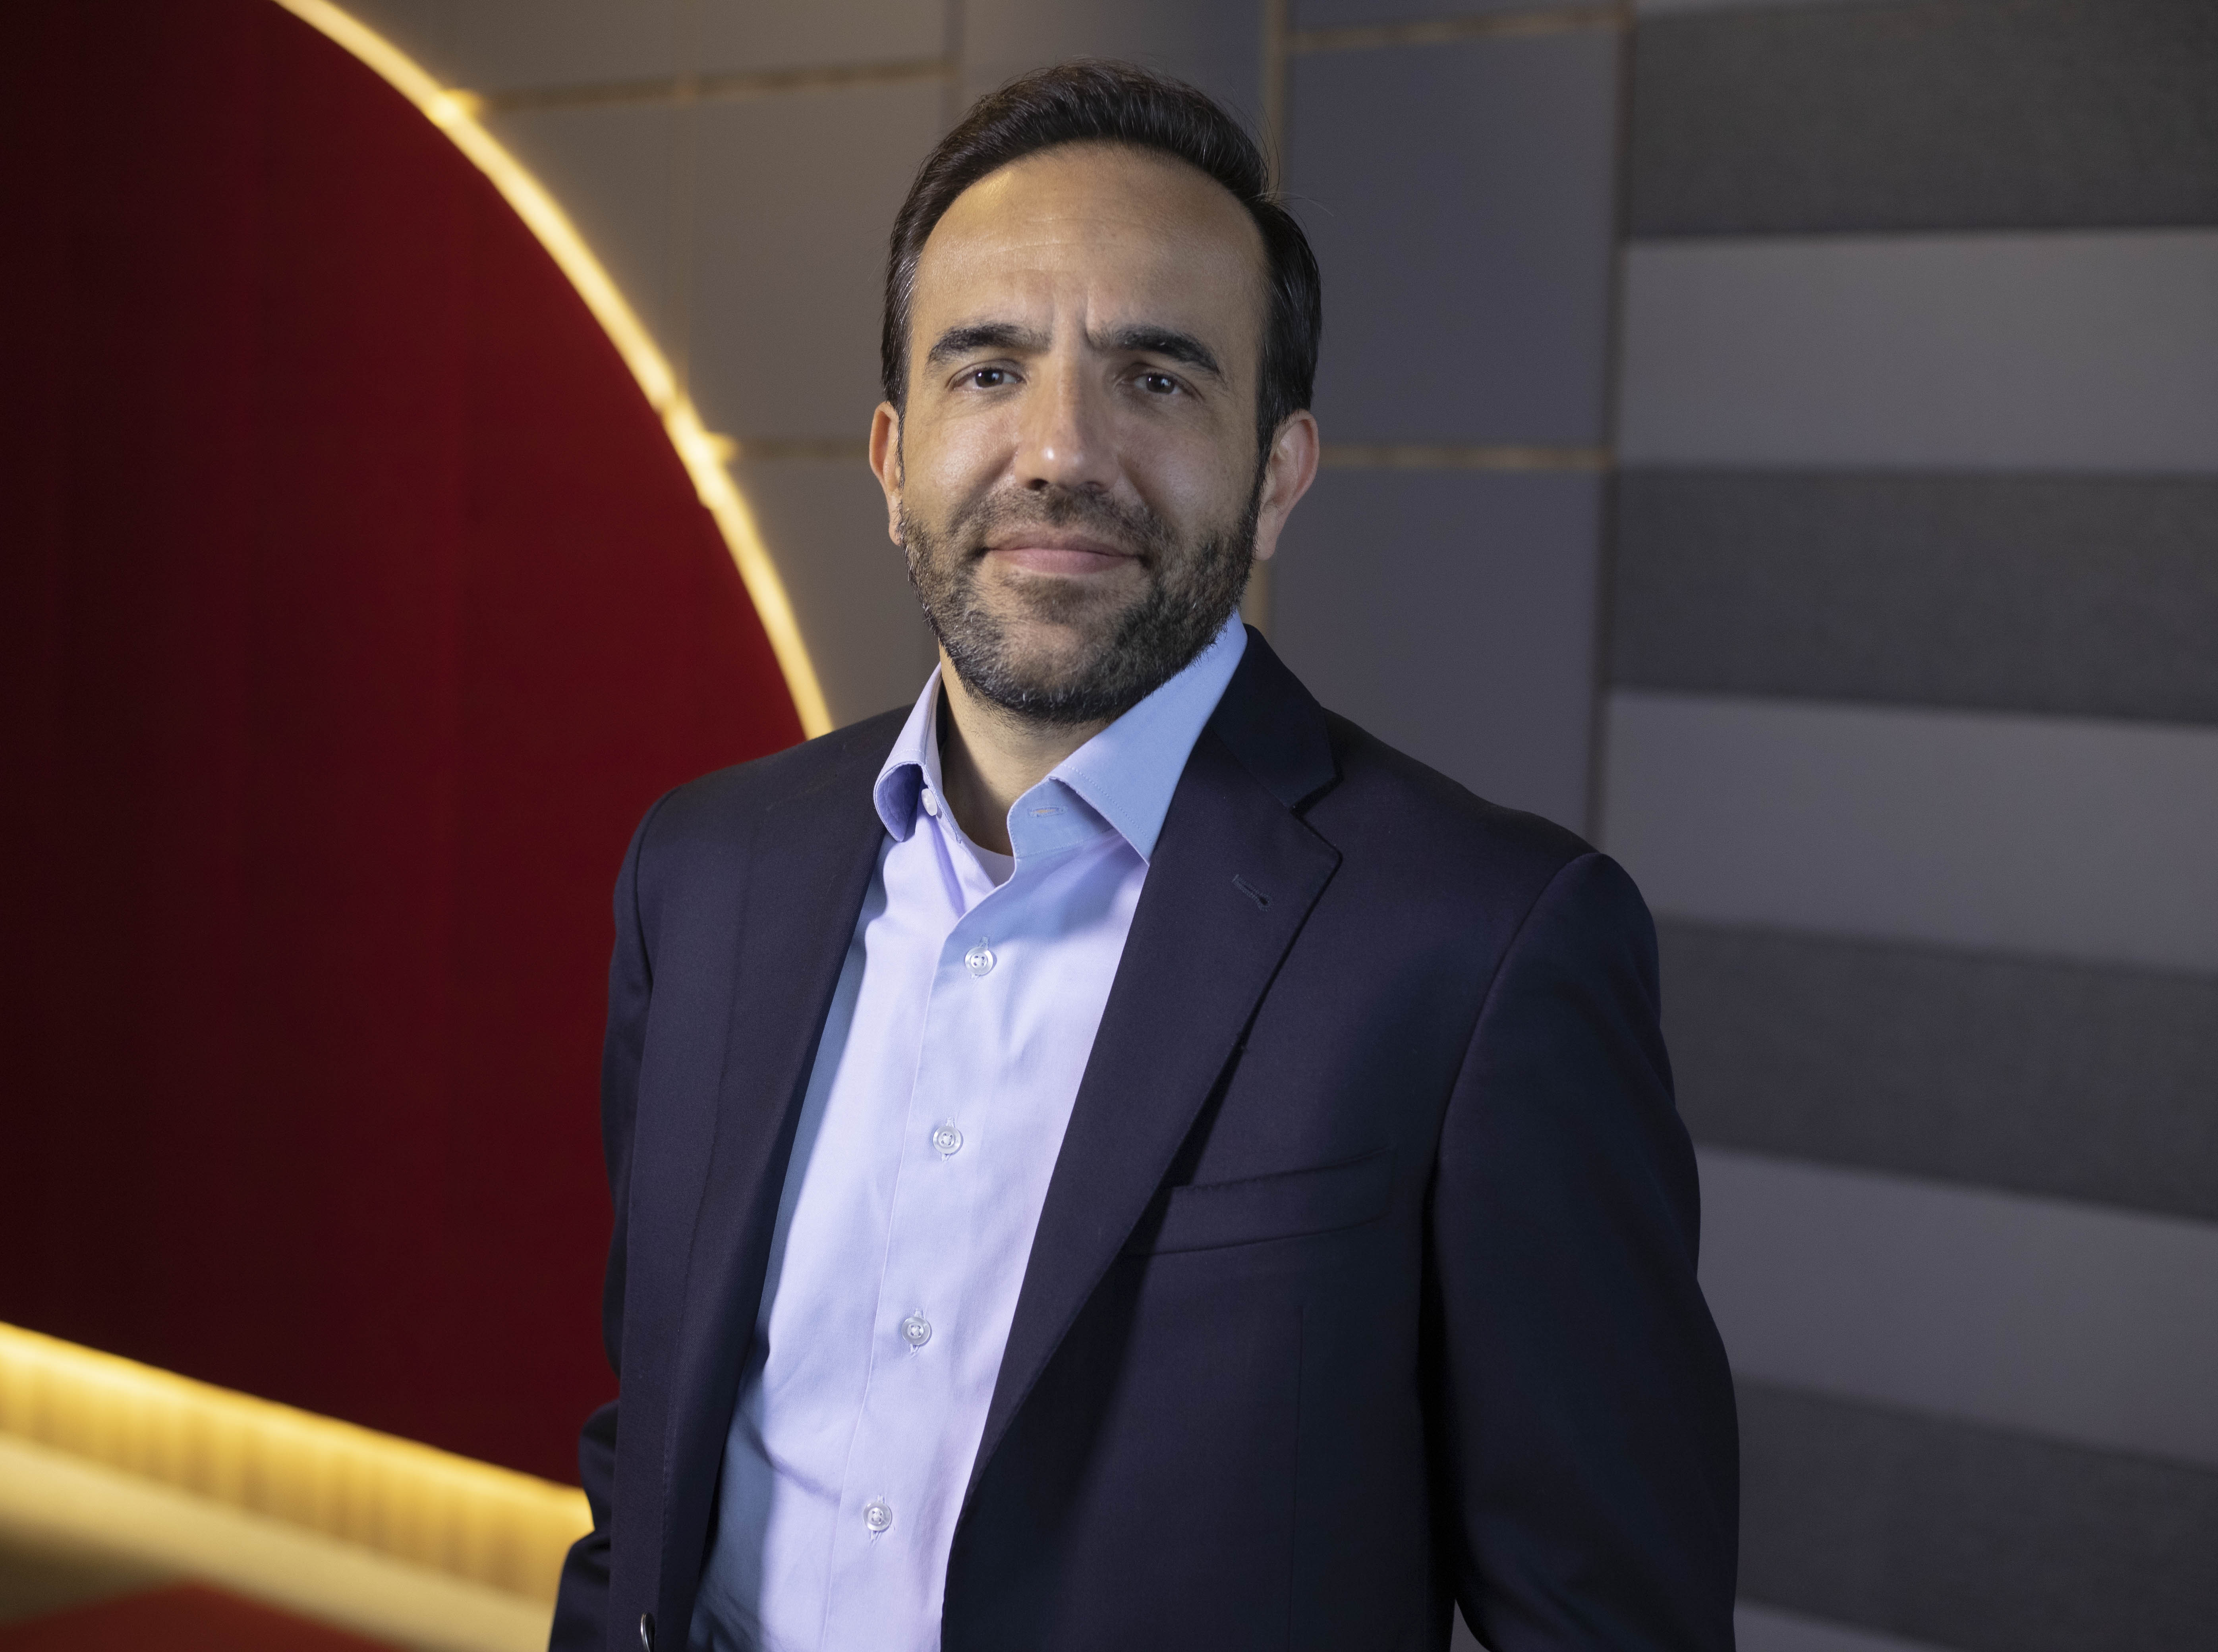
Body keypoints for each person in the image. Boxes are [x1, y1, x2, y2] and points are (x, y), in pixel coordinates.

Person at [549, 60, 1736, 1652]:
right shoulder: (704, 875)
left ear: (1278, 475)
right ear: (893, 457)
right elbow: (649, 1470)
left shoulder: (1487, 953)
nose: (1060, 451)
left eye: (1158, 378)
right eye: (990, 369)